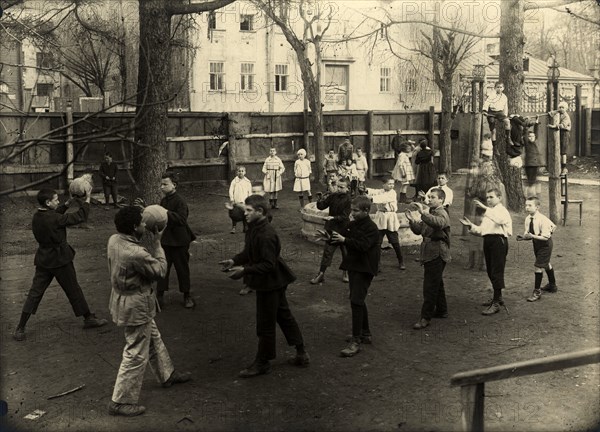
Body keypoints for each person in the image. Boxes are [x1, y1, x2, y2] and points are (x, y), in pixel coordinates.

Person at [107, 206, 191, 417]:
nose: (145, 225)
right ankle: (120, 401)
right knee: (135, 352)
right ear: (135, 227)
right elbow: (160, 271)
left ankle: (167, 374)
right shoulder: (136, 253)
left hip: (123, 299)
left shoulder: (114, 240)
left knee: (153, 338)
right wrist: (157, 244)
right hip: (136, 304)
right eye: (142, 223)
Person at [220, 195, 309, 377]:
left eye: (248, 211)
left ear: (260, 212)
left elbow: (268, 264)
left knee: (266, 323)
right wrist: (234, 260)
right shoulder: (254, 228)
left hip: (271, 282)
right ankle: (301, 353)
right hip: (272, 280)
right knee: (284, 316)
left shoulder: (266, 234)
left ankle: (263, 362)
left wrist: (244, 271)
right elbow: (249, 252)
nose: (244, 214)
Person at [13, 188, 107, 341]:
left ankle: (20, 327)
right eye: (56, 200)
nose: (58, 201)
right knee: (73, 289)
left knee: (35, 293)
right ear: (48, 202)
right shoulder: (55, 219)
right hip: (61, 260)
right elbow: (79, 217)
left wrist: (68, 203)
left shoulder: (37, 216)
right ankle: (88, 318)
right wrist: (87, 199)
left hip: (44, 259)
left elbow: (56, 214)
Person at [331, 196, 380, 357]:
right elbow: (341, 236)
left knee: (356, 301)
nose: (352, 213)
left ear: (366, 211)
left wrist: (344, 239)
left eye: (355, 210)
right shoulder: (354, 224)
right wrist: (328, 237)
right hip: (354, 266)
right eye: (352, 210)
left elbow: (363, 246)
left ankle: (356, 341)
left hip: (365, 268)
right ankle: (365, 334)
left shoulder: (372, 228)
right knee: (357, 299)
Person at [460, 188, 512, 315]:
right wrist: (471, 226)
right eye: (487, 197)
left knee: (496, 270)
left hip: (498, 242)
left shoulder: (501, 210)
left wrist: (484, 208)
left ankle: (496, 303)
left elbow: (500, 220)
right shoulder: (489, 212)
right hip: (488, 241)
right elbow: (483, 230)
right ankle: (497, 297)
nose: (488, 199)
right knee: (490, 270)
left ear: (499, 198)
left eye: (491, 197)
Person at [406, 188, 451, 330]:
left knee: (430, 286)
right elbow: (420, 230)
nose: (429, 199)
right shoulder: (431, 212)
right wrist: (413, 221)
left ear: (441, 200)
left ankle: (425, 317)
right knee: (436, 282)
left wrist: (422, 212)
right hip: (430, 251)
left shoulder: (442, 212)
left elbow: (439, 223)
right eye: (429, 197)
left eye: (432, 197)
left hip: (437, 252)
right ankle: (442, 310)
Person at [156, 172, 197, 309]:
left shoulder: (180, 201)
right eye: (161, 184)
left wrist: (164, 213)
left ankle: (187, 295)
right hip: (167, 241)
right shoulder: (164, 200)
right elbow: (161, 220)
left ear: (174, 185)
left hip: (180, 241)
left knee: (182, 269)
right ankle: (159, 296)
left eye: (165, 184)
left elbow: (181, 219)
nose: (162, 187)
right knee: (163, 269)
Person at [310, 179, 351, 285]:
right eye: (338, 186)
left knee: (346, 253)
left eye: (342, 187)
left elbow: (345, 216)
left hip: (344, 229)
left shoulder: (349, 200)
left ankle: (345, 272)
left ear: (347, 188)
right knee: (328, 252)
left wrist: (332, 218)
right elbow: (321, 206)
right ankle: (321, 274)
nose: (339, 189)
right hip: (332, 229)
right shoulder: (333, 196)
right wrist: (320, 198)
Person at [516, 197, 558, 301]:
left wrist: (533, 236)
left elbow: (547, 235)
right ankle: (552, 286)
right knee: (546, 264)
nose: (527, 208)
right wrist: (523, 238)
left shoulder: (542, 219)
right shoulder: (527, 219)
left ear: (537, 207)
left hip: (545, 244)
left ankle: (537, 291)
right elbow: (528, 233)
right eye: (526, 205)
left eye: (530, 205)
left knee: (538, 266)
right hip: (537, 244)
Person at [367, 177, 405, 270]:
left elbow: (382, 199)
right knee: (377, 242)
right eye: (389, 184)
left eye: (392, 184)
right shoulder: (381, 191)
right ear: (383, 185)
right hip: (380, 217)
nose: (391, 186)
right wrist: (365, 189)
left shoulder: (392, 193)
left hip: (390, 217)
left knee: (395, 242)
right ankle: (378, 263)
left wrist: (371, 198)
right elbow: (373, 191)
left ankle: (401, 261)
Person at [482, 81, 518, 156]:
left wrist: (505, 115)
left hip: (499, 112)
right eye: (498, 87)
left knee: (507, 121)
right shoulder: (492, 95)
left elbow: (505, 107)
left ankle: (508, 138)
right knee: (493, 130)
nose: (499, 89)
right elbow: (487, 103)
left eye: (501, 87)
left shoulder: (504, 97)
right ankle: (495, 148)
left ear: (503, 88)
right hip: (491, 112)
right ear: (495, 88)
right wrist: (485, 110)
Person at [548, 101, 571, 176]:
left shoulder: (566, 116)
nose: (561, 109)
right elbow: (552, 113)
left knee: (563, 152)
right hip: (559, 133)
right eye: (560, 107)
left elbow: (563, 125)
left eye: (563, 107)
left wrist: (554, 126)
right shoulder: (559, 113)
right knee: (557, 150)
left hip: (564, 133)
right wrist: (551, 113)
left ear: (566, 109)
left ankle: (564, 168)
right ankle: (557, 167)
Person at [228, 166, 253, 234]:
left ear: (245, 172)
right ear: (236, 172)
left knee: (245, 214)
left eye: (242, 171)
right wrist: (232, 199)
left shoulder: (247, 181)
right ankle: (234, 227)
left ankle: (245, 227)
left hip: (244, 201)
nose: (240, 172)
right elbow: (231, 191)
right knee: (235, 214)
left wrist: (249, 200)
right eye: (239, 171)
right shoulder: (234, 181)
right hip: (236, 201)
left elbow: (249, 192)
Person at [524, 131, 543, 197]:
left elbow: (536, 133)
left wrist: (536, 123)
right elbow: (525, 135)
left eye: (533, 136)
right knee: (530, 180)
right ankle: (530, 195)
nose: (531, 138)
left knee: (534, 180)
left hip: (535, 164)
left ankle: (532, 194)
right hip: (529, 165)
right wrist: (525, 127)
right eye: (530, 136)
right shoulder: (527, 143)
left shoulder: (535, 143)